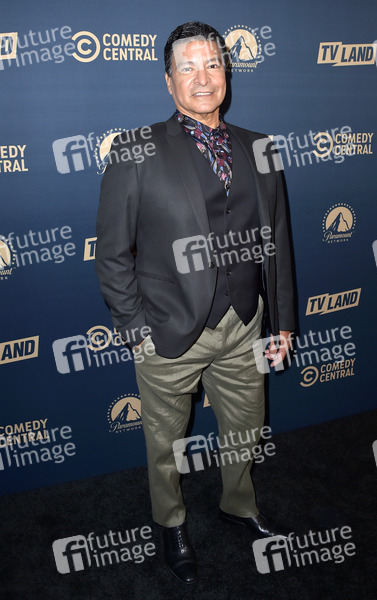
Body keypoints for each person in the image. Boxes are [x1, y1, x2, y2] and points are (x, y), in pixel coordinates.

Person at [95, 21, 296, 584]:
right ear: (168, 80)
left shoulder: (259, 147)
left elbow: (277, 241)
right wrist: (136, 329)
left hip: (245, 322)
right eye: (188, 67)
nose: (203, 78)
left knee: (247, 427)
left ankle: (239, 504)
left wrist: (281, 323)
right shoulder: (136, 150)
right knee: (165, 442)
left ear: (226, 73)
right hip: (169, 331)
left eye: (212, 64)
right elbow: (111, 253)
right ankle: (171, 523)